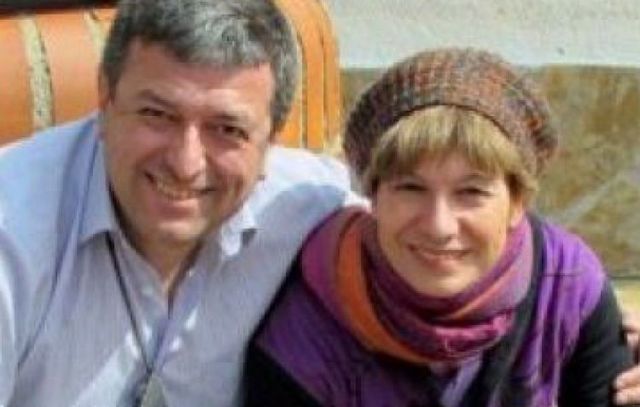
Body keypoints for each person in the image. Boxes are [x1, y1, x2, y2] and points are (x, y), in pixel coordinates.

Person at [0, 0, 360, 405]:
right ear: (105, 99)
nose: (185, 165)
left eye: (227, 129)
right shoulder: (12, 232)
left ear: (270, 140)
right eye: (157, 114)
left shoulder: (306, 204)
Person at [245, 48, 640, 407]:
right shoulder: (304, 335)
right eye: (411, 188)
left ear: (517, 202)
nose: (439, 226)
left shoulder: (567, 288)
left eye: (471, 192)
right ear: (372, 196)